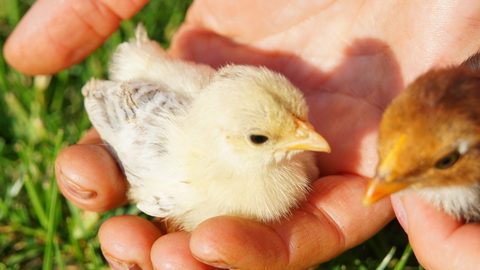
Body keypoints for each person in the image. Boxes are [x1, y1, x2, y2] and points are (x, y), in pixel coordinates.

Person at [5, 0, 480, 269]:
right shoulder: (174, 169)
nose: (310, 137)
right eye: (261, 139)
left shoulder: (272, 144)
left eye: (300, 118)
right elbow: (118, 105)